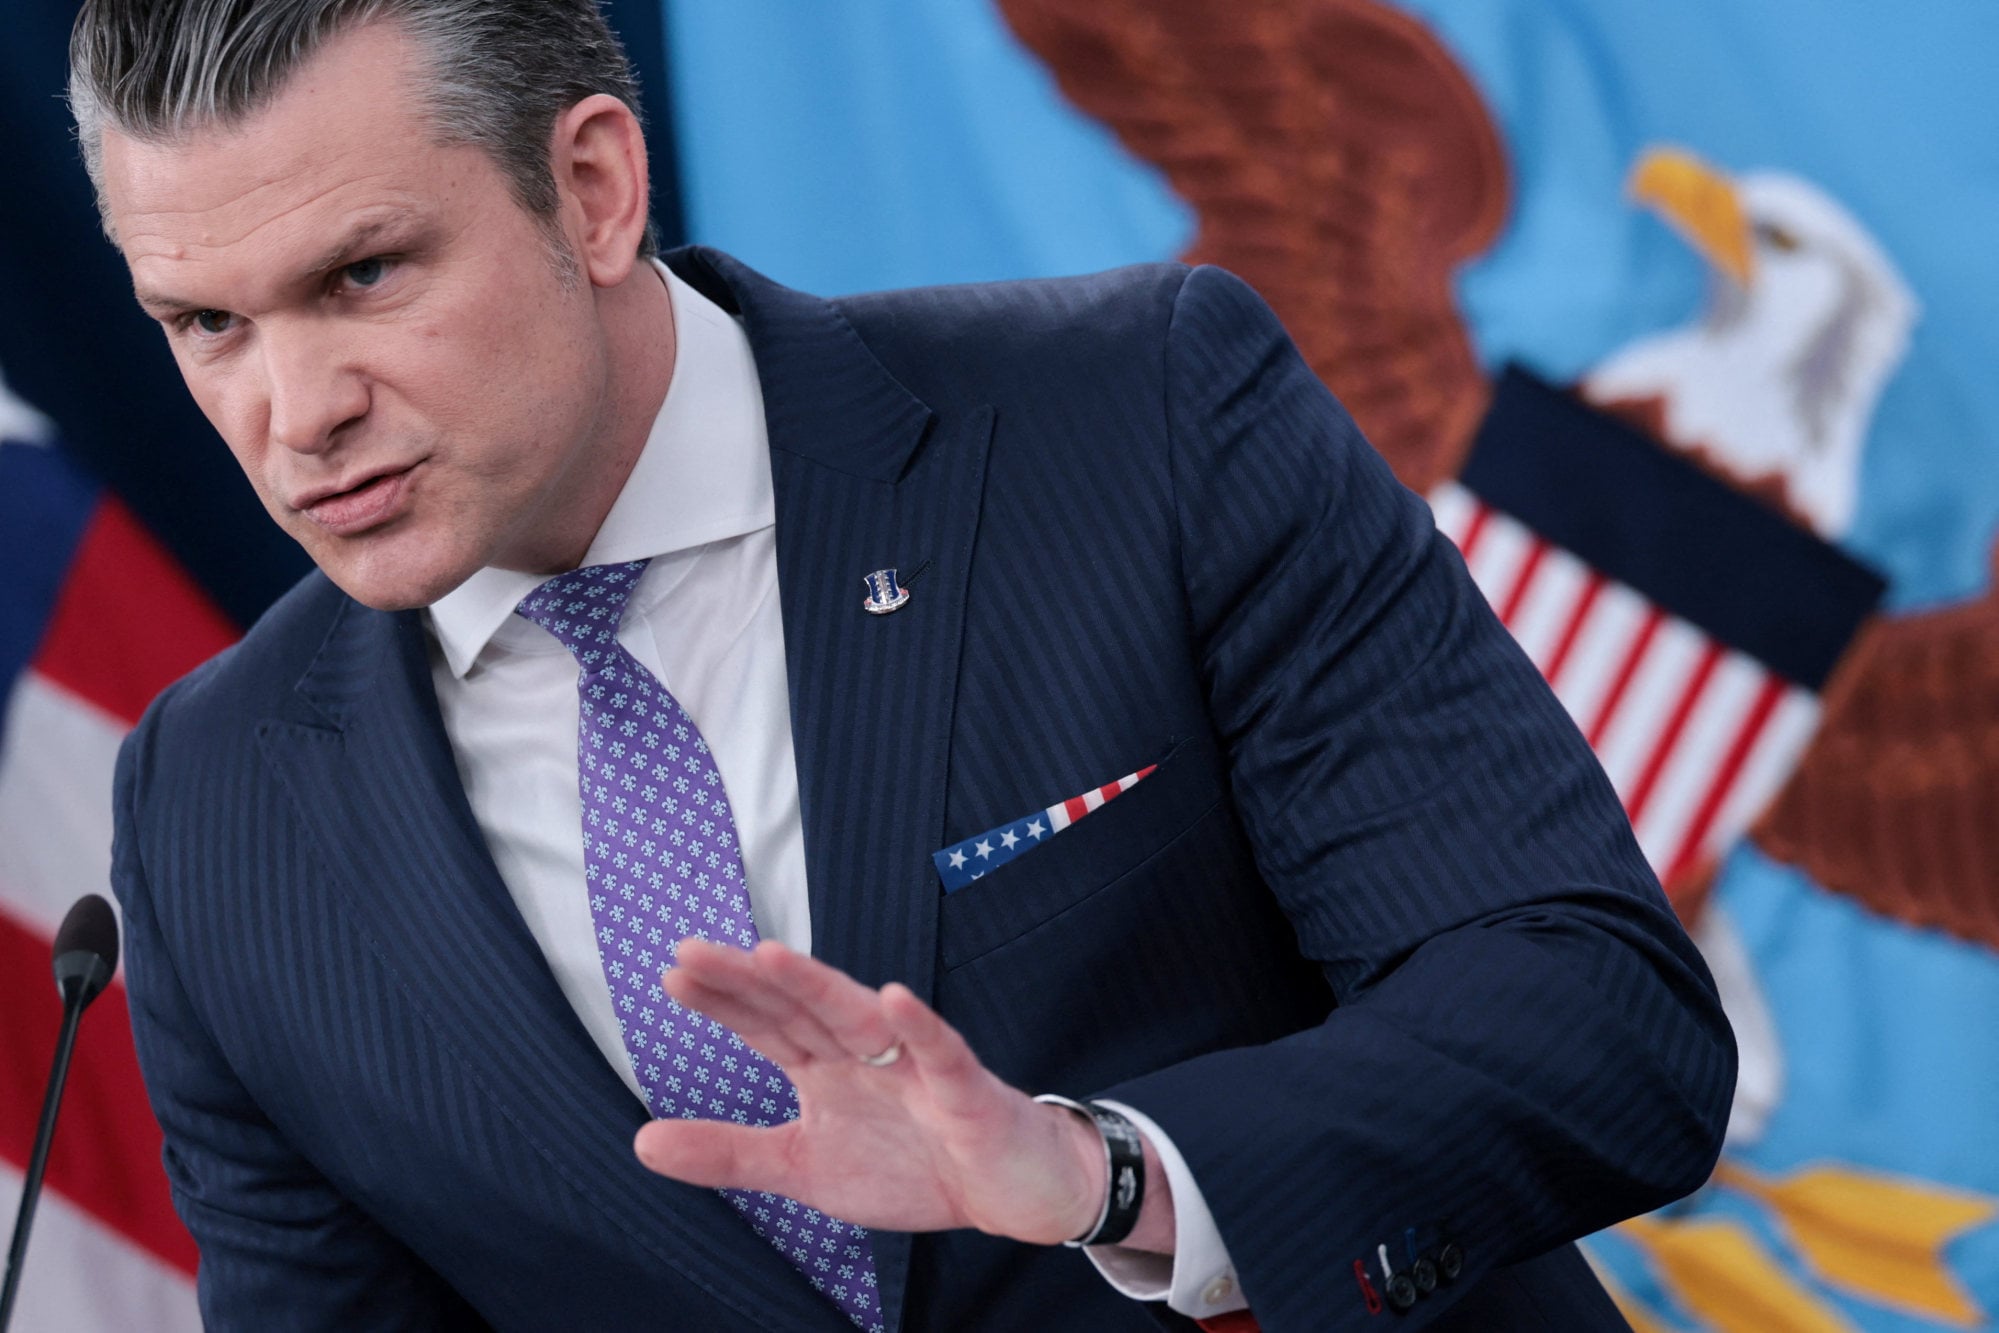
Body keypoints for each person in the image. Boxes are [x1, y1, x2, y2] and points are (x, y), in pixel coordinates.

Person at [75, 1, 1735, 1329]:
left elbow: (1600, 1017)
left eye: (363, 275)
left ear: (592, 188)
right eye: (206, 324)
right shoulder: (208, 809)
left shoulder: (1140, 420)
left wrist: (1109, 1175)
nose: (295, 415)